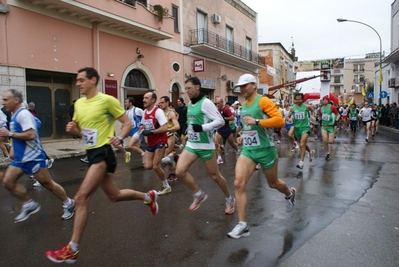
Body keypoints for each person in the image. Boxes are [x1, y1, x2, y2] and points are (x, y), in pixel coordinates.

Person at [45, 67, 158, 263]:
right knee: (115, 196)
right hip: (91, 153)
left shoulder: (107, 100)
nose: (78, 83)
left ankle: (72, 248)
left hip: (103, 152)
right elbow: (81, 132)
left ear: (93, 80)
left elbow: (127, 123)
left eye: (81, 80)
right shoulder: (79, 104)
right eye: (77, 80)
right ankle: (148, 197)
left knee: (80, 198)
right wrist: (73, 129)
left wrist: (119, 138)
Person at [227, 74, 296, 239]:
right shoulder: (244, 105)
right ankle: (243, 224)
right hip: (249, 150)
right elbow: (247, 125)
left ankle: (289, 194)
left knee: (273, 184)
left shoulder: (263, 101)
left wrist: (257, 122)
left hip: (266, 149)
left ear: (253, 85)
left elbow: (280, 121)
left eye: (245, 86)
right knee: (238, 183)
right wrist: (243, 135)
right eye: (240, 87)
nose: (242, 89)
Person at [0, 89, 75, 223]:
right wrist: (13, 149)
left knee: (47, 184)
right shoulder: (14, 115)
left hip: (34, 157)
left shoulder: (24, 114)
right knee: (7, 182)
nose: (3, 102)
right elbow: (18, 137)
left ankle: (69, 203)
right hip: (21, 159)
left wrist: (10, 134)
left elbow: (31, 135)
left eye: (6, 100)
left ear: (15, 100)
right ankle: (28, 203)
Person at [175, 76, 235, 214]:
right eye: (186, 89)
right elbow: (193, 122)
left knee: (215, 176)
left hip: (205, 146)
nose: (187, 91)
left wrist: (202, 128)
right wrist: (188, 129)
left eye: (189, 88)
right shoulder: (191, 104)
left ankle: (229, 198)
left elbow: (219, 121)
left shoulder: (206, 103)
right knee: (179, 171)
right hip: (192, 144)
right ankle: (198, 194)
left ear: (197, 87)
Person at [140, 92, 171, 196]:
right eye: (143, 98)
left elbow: (165, 128)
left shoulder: (158, 112)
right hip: (151, 142)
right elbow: (144, 124)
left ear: (153, 100)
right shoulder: (144, 112)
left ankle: (166, 186)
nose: (144, 100)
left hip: (160, 140)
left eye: (146, 98)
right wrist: (141, 128)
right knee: (147, 166)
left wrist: (151, 131)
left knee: (155, 166)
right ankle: (168, 159)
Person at [286, 93, 315, 169]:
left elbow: (312, 110)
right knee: (303, 144)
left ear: (302, 99)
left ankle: (301, 162)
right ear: (295, 99)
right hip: (297, 129)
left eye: (300, 99)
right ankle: (310, 151)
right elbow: (288, 116)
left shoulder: (306, 106)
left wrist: (313, 117)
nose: (298, 101)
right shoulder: (293, 108)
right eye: (297, 99)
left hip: (305, 127)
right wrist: (289, 119)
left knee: (302, 144)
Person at [158, 96, 180, 181]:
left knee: (166, 155)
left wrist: (168, 129)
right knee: (165, 155)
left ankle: (172, 174)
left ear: (167, 103)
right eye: (160, 103)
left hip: (171, 136)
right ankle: (176, 157)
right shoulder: (159, 112)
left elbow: (177, 126)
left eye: (162, 102)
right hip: (163, 136)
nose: (161, 104)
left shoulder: (171, 113)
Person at [214, 98, 239, 164]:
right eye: (216, 104)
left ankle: (237, 150)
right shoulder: (218, 110)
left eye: (219, 103)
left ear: (222, 103)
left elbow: (232, 117)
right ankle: (219, 158)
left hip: (226, 129)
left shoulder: (226, 109)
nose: (217, 105)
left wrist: (224, 118)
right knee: (216, 143)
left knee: (231, 143)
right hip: (220, 129)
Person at [124, 97, 145, 164]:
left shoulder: (137, 110)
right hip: (131, 131)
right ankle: (145, 158)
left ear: (130, 103)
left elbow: (145, 116)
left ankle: (144, 154)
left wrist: (143, 125)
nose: (125, 104)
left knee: (130, 145)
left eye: (126, 102)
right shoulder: (127, 112)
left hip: (137, 130)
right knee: (136, 147)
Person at [319, 96, 340, 160]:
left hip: (331, 126)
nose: (325, 101)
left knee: (330, 141)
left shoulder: (332, 107)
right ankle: (327, 153)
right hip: (324, 126)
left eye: (326, 100)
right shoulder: (321, 108)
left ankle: (336, 131)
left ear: (328, 101)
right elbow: (319, 115)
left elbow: (338, 114)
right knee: (325, 140)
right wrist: (319, 120)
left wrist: (336, 121)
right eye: (323, 100)